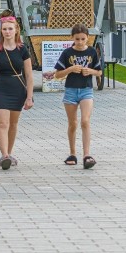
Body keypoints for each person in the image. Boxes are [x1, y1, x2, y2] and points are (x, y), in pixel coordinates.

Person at [0, 16, 34, 170]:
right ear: (1, 31)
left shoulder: (22, 49)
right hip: (0, 88)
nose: (7, 31)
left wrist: (29, 97)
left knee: (13, 124)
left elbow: (29, 75)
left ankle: (9, 153)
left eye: (10, 28)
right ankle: (4, 155)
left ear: (16, 30)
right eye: (4, 29)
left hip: (17, 88)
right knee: (2, 123)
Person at [54, 24, 102, 169]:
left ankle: (86, 154)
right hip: (71, 90)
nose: (80, 42)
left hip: (86, 90)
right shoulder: (67, 53)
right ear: (72, 38)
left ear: (88, 38)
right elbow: (57, 74)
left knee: (85, 121)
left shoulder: (92, 52)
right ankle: (72, 153)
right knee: (73, 123)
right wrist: (70, 69)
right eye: (77, 39)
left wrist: (91, 72)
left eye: (83, 39)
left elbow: (99, 72)